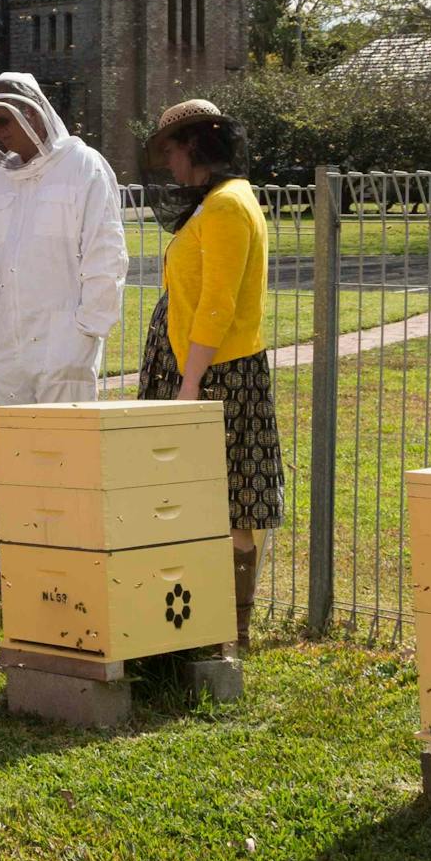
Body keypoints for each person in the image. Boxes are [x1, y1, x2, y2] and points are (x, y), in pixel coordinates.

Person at [0, 72, 123, 596]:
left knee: (65, 465)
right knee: (15, 463)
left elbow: (105, 257)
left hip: (64, 344)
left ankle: (70, 571)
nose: (1, 132)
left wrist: (83, 335)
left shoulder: (84, 167)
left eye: (6, 121)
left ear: (34, 113)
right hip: (10, 348)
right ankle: (17, 567)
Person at [138, 99, 280, 653]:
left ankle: (228, 634)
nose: (168, 163)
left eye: (172, 150)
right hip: (202, 367)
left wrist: (190, 383)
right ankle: (203, 626)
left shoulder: (225, 206)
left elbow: (217, 306)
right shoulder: (218, 203)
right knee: (209, 498)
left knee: (230, 502)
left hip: (216, 372)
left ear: (195, 146)